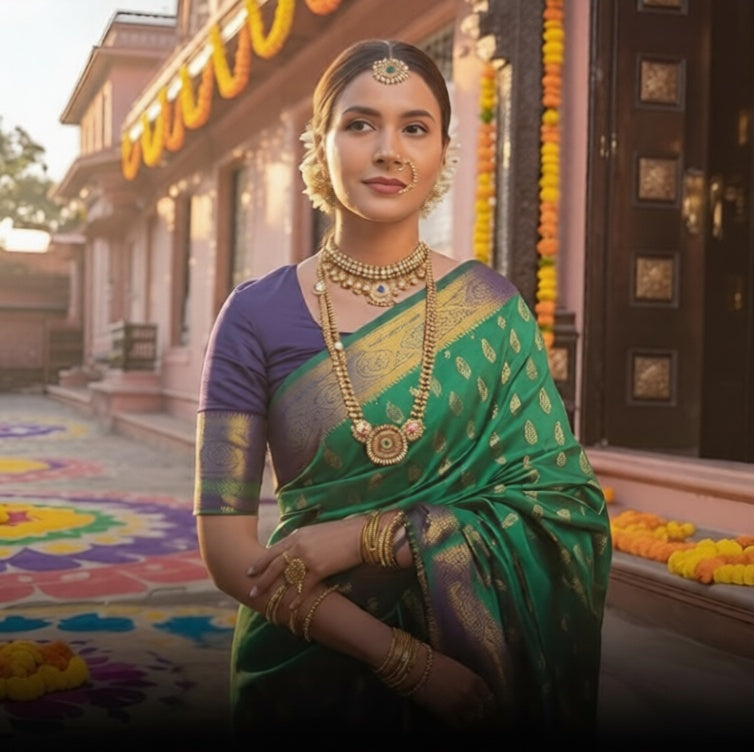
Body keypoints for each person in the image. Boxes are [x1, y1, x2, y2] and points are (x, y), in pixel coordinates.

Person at [193, 38, 611, 741]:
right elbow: (229, 552)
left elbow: (562, 509)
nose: (389, 150)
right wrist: (406, 662)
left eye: (414, 127)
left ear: (443, 152)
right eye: (361, 124)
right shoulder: (253, 315)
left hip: (479, 661)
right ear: (319, 145)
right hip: (305, 668)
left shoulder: (494, 311)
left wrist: (371, 536)